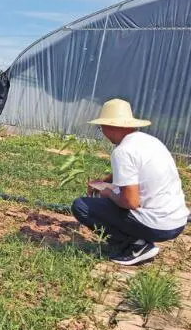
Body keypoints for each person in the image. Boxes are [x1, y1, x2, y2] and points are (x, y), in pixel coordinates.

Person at [71, 99, 189, 266]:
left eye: (101, 127)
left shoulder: (122, 151)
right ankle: (138, 240)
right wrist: (105, 181)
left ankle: (136, 246)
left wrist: (108, 192)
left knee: (81, 206)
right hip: (177, 221)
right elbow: (134, 170)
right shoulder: (149, 141)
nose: (102, 132)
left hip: (159, 225)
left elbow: (130, 202)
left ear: (110, 126)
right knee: (110, 197)